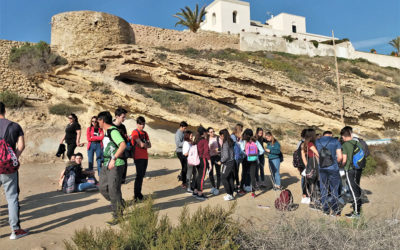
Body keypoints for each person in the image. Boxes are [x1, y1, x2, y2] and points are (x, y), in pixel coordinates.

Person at [0, 102, 29, 240]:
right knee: (12, 198)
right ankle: (15, 231)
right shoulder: (14, 126)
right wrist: (13, 159)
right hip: (7, 167)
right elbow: (21, 145)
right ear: (4, 110)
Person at [97, 111, 127, 225]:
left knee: (114, 190)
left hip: (116, 164)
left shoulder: (113, 131)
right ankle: (119, 203)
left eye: (98, 120)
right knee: (102, 188)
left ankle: (117, 215)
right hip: (106, 164)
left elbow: (123, 145)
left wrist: (113, 159)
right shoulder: (106, 131)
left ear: (102, 120)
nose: (97, 122)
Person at [315, 131, 343, 216]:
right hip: (333, 168)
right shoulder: (335, 141)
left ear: (323, 135)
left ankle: (325, 209)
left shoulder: (317, 141)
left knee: (323, 188)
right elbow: (340, 156)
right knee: (334, 189)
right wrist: (336, 163)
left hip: (322, 168)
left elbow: (317, 155)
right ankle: (335, 210)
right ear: (331, 135)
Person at [341, 126, 363, 218]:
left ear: (343, 136)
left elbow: (344, 160)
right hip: (358, 168)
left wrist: (340, 164)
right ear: (351, 134)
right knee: (356, 188)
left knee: (353, 190)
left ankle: (356, 213)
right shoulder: (358, 143)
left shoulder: (345, 145)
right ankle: (358, 206)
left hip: (350, 169)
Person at [131, 116, 151, 202]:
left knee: (141, 176)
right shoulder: (135, 132)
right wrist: (144, 144)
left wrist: (144, 144)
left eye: (143, 124)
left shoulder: (145, 133)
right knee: (139, 176)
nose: (142, 126)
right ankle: (136, 195)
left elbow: (149, 145)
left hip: (145, 157)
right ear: (137, 124)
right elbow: (142, 145)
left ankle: (139, 194)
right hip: (138, 157)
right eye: (140, 124)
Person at [240, 129, 264, 198]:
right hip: (253, 160)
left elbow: (242, 150)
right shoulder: (255, 141)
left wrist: (247, 154)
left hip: (246, 160)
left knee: (244, 174)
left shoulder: (244, 141)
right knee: (252, 176)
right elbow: (262, 151)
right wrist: (256, 155)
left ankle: (241, 189)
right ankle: (253, 193)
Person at [301, 129, 320, 210]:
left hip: (309, 164)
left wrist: (307, 166)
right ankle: (316, 201)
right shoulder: (311, 144)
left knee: (311, 182)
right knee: (315, 182)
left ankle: (312, 199)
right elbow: (317, 154)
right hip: (314, 163)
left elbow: (303, 156)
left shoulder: (304, 144)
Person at [193, 126, 211, 201]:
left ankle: (195, 191)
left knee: (198, 176)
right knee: (202, 177)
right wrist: (209, 162)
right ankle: (200, 193)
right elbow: (206, 153)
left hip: (197, 159)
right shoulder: (204, 141)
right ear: (204, 133)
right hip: (203, 159)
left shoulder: (197, 140)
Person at [219, 129, 235, 201]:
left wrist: (221, 161)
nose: (220, 137)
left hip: (227, 163)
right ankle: (231, 194)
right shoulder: (230, 141)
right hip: (232, 162)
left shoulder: (225, 143)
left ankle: (229, 194)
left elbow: (226, 156)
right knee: (230, 178)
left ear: (222, 135)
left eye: (220, 136)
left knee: (223, 178)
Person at [113, 108, 129, 184]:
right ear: (117, 116)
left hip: (123, 153)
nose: (124, 119)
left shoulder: (123, 127)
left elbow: (125, 139)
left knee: (122, 175)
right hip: (114, 153)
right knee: (114, 176)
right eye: (123, 117)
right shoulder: (111, 126)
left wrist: (127, 138)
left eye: (125, 117)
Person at [208, 127, 222, 195]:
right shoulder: (207, 139)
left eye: (213, 131)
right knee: (210, 173)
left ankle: (218, 188)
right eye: (211, 132)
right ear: (208, 133)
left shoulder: (218, 138)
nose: (212, 133)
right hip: (210, 158)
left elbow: (221, 148)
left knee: (218, 173)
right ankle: (213, 186)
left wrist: (217, 150)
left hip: (217, 157)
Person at [230, 124, 243, 193]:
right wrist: (240, 140)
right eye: (241, 130)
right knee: (234, 172)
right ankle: (234, 187)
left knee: (236, 172)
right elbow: (237, 145)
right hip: (235, 157)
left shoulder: (236, 137)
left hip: (238, 156)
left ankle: (236, 186)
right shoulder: (233, 136)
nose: (241, 132)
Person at [175, 121, 188, 188]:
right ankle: (184, 183)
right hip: (180, 152)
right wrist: (186, 142)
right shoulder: (178, 134)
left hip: (184, 151)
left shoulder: (183, 132)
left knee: (185, 166)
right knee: (185, 167)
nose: (185, 130)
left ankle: (181, 176)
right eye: (184, 128)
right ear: (181, 127)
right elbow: (178, 144)